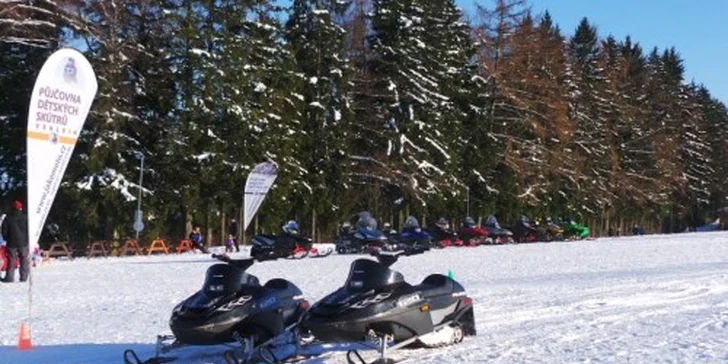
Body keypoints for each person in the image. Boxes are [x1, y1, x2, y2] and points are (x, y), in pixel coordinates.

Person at [1, 200, 30, 283]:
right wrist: (26, 238)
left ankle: (9, 278)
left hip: (11, 242)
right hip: (23, 242)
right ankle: (24, 277)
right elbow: (28, 229)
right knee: (24, 259)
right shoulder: (25, 217)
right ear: (20, 208)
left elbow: (4, 230)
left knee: (11, 259)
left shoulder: (8, 218)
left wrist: (7, 238)